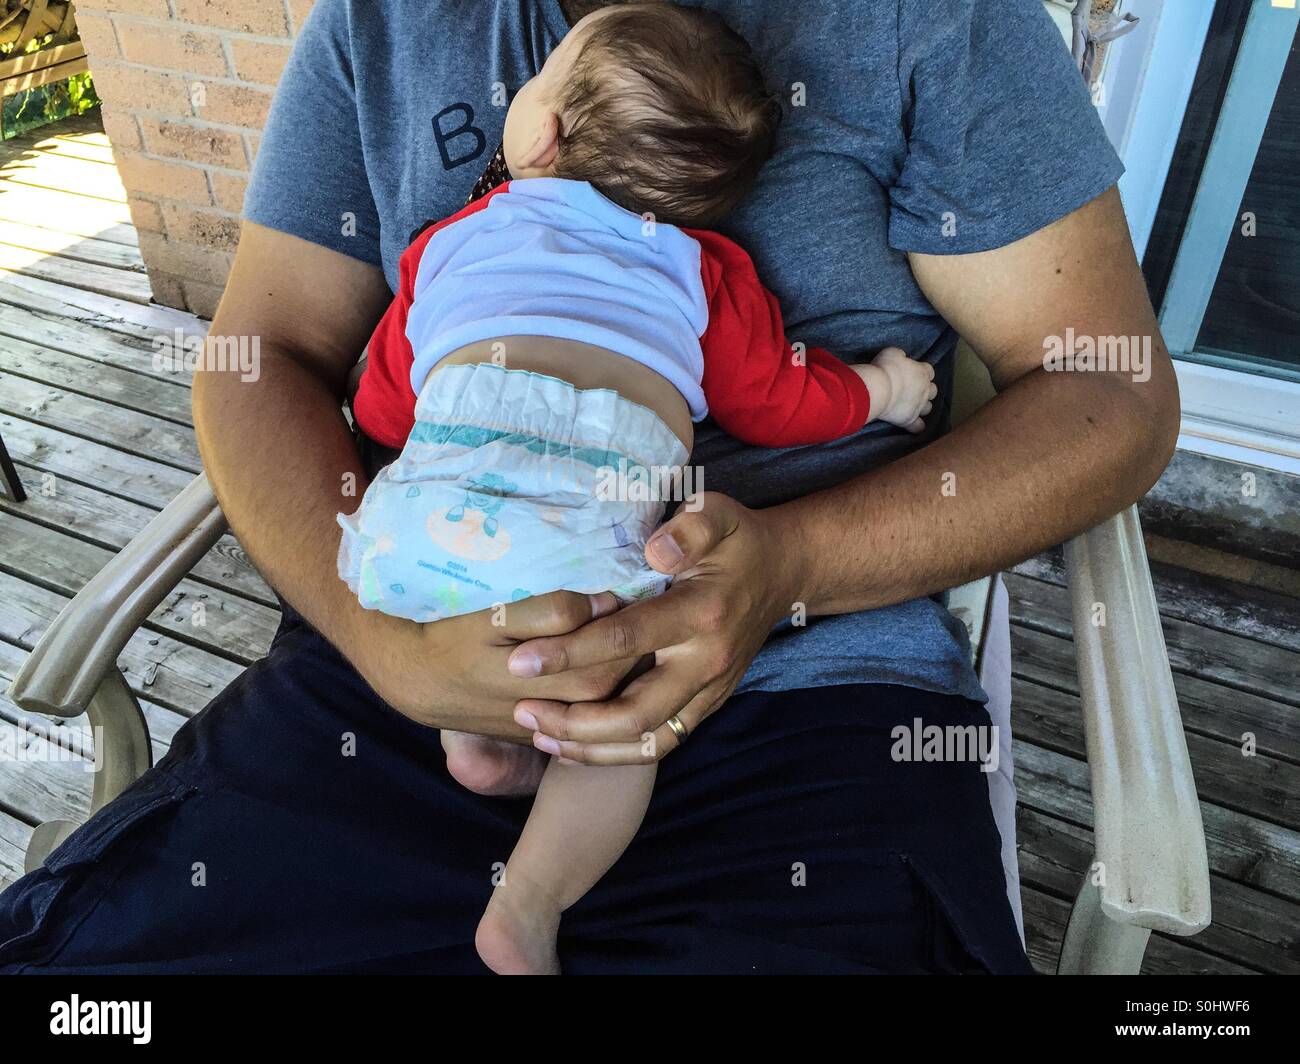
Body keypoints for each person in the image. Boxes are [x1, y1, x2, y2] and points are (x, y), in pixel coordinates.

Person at [0, 0, 1177, 974]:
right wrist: (377, 639)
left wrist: (795, 566)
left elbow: (1110, 392)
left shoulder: (931, 23)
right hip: (393, 667)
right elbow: (262, 358)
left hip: (804, 699)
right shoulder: (384, 23)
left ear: (546, 130)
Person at [339, 3, 937, 974]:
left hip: (410, 531)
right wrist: (885, 386)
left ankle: (476, 743)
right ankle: (526, 904)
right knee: (620, 727)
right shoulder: (706, 270)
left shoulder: (451, 240)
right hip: (578, 540)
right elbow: (779, 402)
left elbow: (381, 405)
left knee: (451, 574)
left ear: (541, 132)